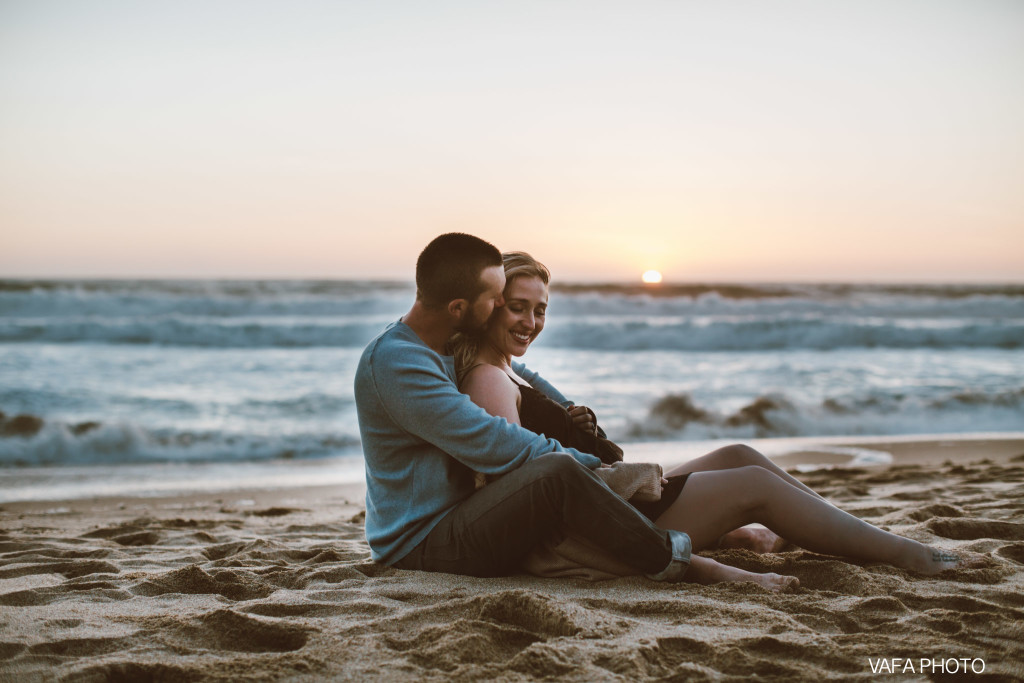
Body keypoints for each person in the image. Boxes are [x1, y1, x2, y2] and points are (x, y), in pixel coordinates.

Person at [450, 250, 964, 579]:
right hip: (604, 522)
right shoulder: (488, 379)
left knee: (738, 453)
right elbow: (514, 487)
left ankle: (830, 531)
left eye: (540, 309)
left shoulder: (512, 371)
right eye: (518, 307)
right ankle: (907, 556)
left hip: (610, 496)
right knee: (751, 485)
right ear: (491, 306)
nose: (531, 321)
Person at [355, 233, 797, 589]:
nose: (500, 309)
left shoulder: (444, 349)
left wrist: (574, 419)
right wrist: (606, 469)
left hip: (463, 521)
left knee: (570, 467)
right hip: (424, 542)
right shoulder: (398, 361)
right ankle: (694, 565)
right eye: (497, 300)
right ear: (460, 307)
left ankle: (728, 535)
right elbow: (493, 443)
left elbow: (524, 381)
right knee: (558, 471)